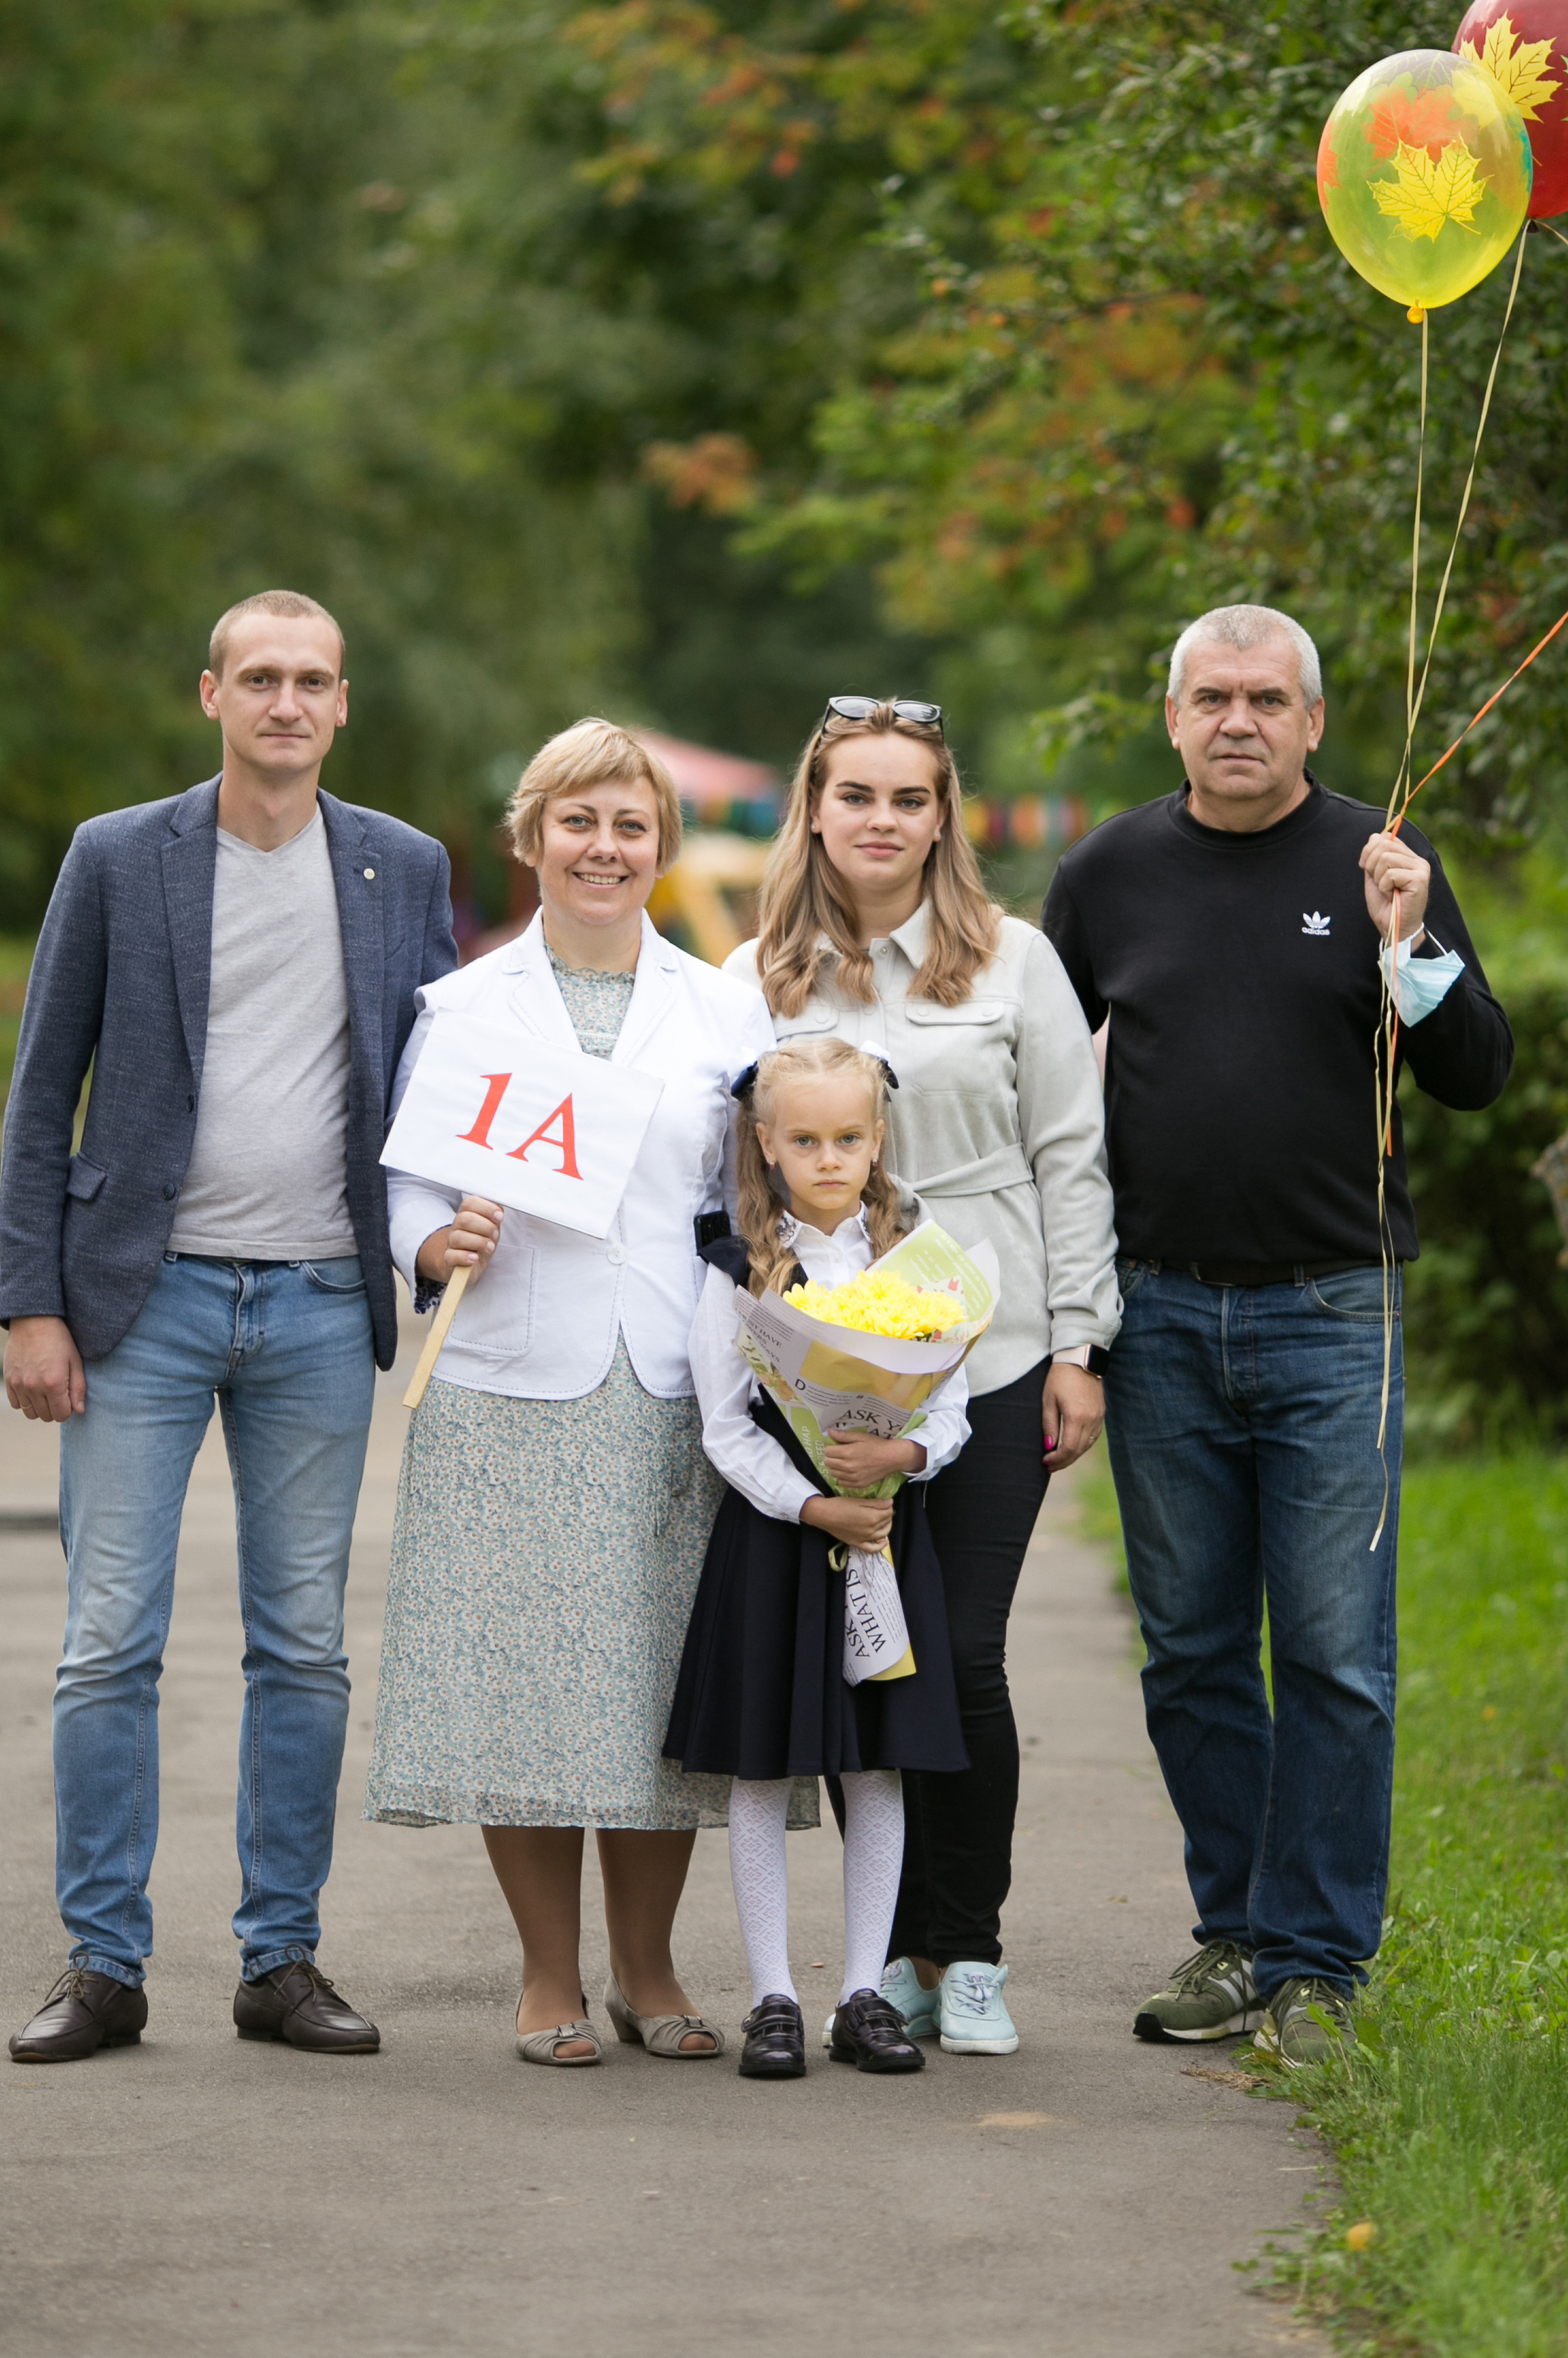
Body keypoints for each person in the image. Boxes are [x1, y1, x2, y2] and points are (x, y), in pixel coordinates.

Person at [1042, 602, 1513, 2067]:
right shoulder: (1108, 872)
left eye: (1267, 699)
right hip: (1161, 1307)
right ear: (1171, 716)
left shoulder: (1382, 863)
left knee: (1332, 1656)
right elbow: (1046, 1095)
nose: (1237, 721)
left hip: (1331, 1311)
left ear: (1312, 721)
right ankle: (1234, 1934)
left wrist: (1410, 946)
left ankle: (1319, 1962)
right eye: (1211, 697)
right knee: (1190, 1650)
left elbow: (1478, 1076)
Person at [0, 590, 456, 2064]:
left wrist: (448, 1245)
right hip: (142, 1299)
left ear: (341, 703)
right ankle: (103, 1965)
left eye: (310, 680)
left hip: (322, 1301)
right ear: (211, 695)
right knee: (108, 1644)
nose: (284, 702)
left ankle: (280, 1960)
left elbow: (442, 1088)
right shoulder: (122, 857)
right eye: (258, 677)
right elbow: (39, 1084)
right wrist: (32, 1301)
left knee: (304, 1648)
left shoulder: (402, 866)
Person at [367, 718, 778, 2067]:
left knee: (652, 1688)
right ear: (531, 839)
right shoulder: (465, 1006)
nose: (605, 849)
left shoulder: (724, 1008)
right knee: (525, 1685)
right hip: (508, 1388)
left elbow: (749, 1191)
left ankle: (650, 1974)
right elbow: (407, 1178)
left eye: (630, 826)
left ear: (658, 847)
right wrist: (433, 1243)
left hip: (669, 1382)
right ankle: (548, 1977)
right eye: (579, 824)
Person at [729, 697, 1118, 2057]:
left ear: (943, 813)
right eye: (857, 796)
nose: (882, 820)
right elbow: (714, 1176)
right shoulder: (763, 977)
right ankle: (885, 1958)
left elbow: (1072, 1156)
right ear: (816, 810)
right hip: (829, 1391)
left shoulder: (1012, 963)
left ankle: (972, 1950)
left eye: (909, 798)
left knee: (961, 1656)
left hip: (990, 1365)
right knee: (866, 1670)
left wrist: (1078, 1346)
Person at [665, 1038, 971, 2079]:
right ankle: (775, 1998)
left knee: (875, 1762)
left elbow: (955, 1398)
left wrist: (905, 1454)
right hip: (783, 1539)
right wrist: (811, 1505)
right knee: (766, 1763)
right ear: (767, 1144)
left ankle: (861, 1994)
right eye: (806, 1139)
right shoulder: (737, 1263)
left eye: (849, 1137)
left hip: (886, 1530)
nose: (830, 1156)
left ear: (877, 1138)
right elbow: (724, 1425)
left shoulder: (915, 1255)